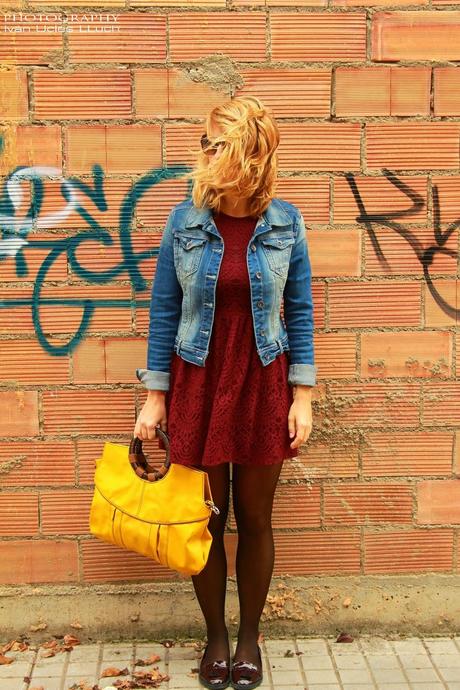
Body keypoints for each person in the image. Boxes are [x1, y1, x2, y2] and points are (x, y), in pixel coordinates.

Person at [134, 95, 317, 690]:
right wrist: (154, 396)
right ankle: (215, 637)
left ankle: (248, 640)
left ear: (249, 152)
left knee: (256, 518)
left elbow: (301, 311)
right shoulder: (185, 221)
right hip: (200, 378)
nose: (205, 155)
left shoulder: (286, 223)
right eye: (205, 144)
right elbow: (164, 309)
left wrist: (303, 394)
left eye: (217, 145)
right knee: (206, 517)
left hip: (264, 376)